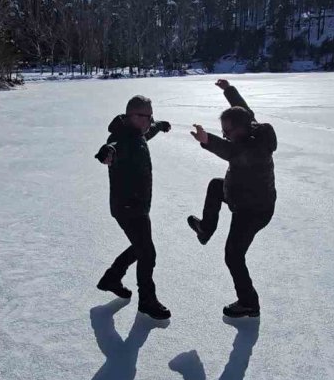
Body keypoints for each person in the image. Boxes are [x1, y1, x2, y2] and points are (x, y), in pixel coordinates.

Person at [188, 80, 277, 318]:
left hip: (253, 210)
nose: (225, 135)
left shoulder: (254, 148)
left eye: (228, 131)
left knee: (233, 255)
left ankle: (249, 303)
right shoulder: (250, 125)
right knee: (216, 186)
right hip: (241, 194)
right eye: (223, 131)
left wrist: (207, 140)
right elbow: (242, 109)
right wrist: (228, 90)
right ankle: (205, 230)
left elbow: (231, 152)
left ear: (243, 129)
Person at [94, 95, 172, 320]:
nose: (150, 120)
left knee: (141, 247)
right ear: (132, 116)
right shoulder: (122, 138)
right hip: (128, 207)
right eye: (146, 116)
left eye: (151, 116)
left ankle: (112, 277)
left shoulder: (138, 132)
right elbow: (113, 147)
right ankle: (147, 300)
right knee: (147, 253)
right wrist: (106, 153)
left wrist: (160, 125)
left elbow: (148, 132)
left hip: (137, 204)